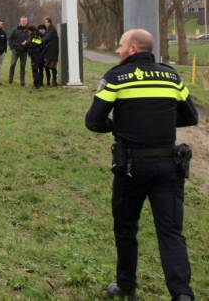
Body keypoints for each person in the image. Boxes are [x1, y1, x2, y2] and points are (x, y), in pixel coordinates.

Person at [85, 29, 197, 301]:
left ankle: (126, 286)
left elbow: (93, 121)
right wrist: (159, 123)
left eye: (121, 45)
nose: (117, 50)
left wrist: (121, 125)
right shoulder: (172, 76)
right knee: (171, 231)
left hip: (131, 166)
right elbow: (190, 115)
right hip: (169, 165)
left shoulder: (116, 77)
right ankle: (182, 294)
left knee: (126, 227)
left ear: (133, 48)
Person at [8, 16, 29, 87]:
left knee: (23, 67)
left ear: (27, 22)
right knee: (12, 65)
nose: (23, 22)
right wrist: (12, 48)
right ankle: (10, 80)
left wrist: (27, 41)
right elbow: (10, 39)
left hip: (24, 51)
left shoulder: (28, 31)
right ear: (20, 21)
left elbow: (32, 39)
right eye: (22, 21)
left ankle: (22, 82)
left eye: (25, 21)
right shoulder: (15, 30)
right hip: (15, 51)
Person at [42, 17, 59, 87]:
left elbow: (46, 38)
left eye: (46, 22)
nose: (45, 23)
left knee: (52, 67)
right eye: (45, 22)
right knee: (46, 67)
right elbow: (44, 38)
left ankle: (54, 82)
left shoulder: (53, 30)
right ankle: (48, 81)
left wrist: (39, 40)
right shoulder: (47, 30)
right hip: (48, 52)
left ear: (50, 23)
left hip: (53, 52)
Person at [28, 24, 44, 89]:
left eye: (29, 31)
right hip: (34, 55)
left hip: (35, 55)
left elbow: (39, 43)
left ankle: (37, 85)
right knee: (34, 70)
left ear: (31, 31)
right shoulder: (34, 36)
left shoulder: (36, 36)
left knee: (35, 70)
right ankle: (35, 84)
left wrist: (32, 41)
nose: (28, 32)